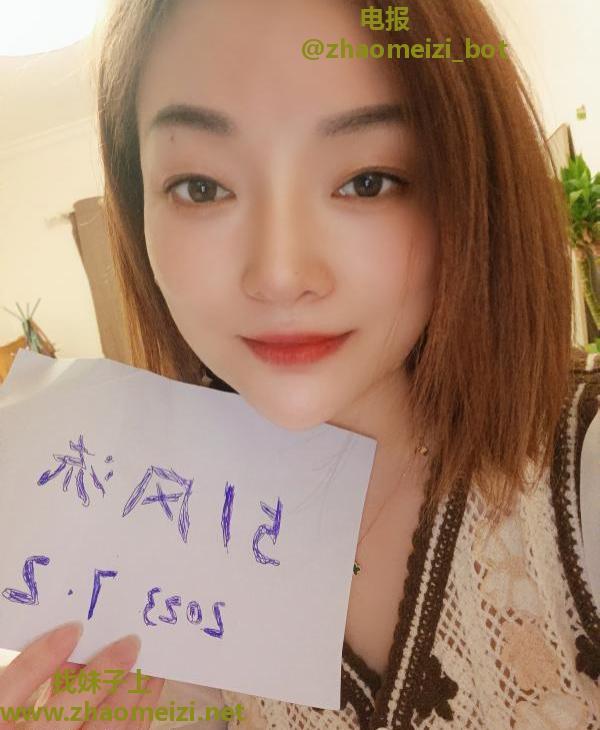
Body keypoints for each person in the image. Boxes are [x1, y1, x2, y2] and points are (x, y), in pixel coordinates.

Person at [1, 0, 599, 728]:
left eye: (368, 180)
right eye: (201, 187)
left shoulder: (578, 476)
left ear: (470, 186)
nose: (280, 277)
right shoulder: (138, 564)